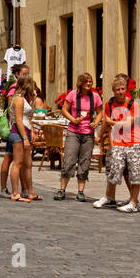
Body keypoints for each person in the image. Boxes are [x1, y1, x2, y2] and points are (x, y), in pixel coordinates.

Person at [94, 75, 140, 213]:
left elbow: (129, 124)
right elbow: (107, 122)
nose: (120, 92)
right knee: (113, 169)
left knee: (135, 173)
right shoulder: (109, 104)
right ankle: (109, 196)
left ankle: (133, 203)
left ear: (126, 89)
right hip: (118, 142)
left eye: (122, 89)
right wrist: (103, 137)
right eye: (117, 89)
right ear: (113, 90)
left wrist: (112, 122)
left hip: (134, 141)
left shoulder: (133, 104)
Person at [56, 72, 102, 201]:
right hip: (74, 132)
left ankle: (80, 191)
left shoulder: (96, 97)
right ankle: (62, 189)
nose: (89, 84)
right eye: (87, 81)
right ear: (80, 83)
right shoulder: (72, 95)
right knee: (69, 160)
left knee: (85, 162)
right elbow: (64, 110)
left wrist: (96, 123)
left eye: (90, 82)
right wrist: (73, 119)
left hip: (88, 134)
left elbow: (100, 113)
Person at [10, 75, 45, 202]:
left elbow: (28, 117)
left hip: (25, 131)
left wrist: (31, 132)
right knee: (18, 163)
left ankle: (31, 191)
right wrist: (25, 137)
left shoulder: (25, 99)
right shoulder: (18, 99)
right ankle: (15, 193)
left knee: (28, 164)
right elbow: (19, 120)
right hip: (18, 133)